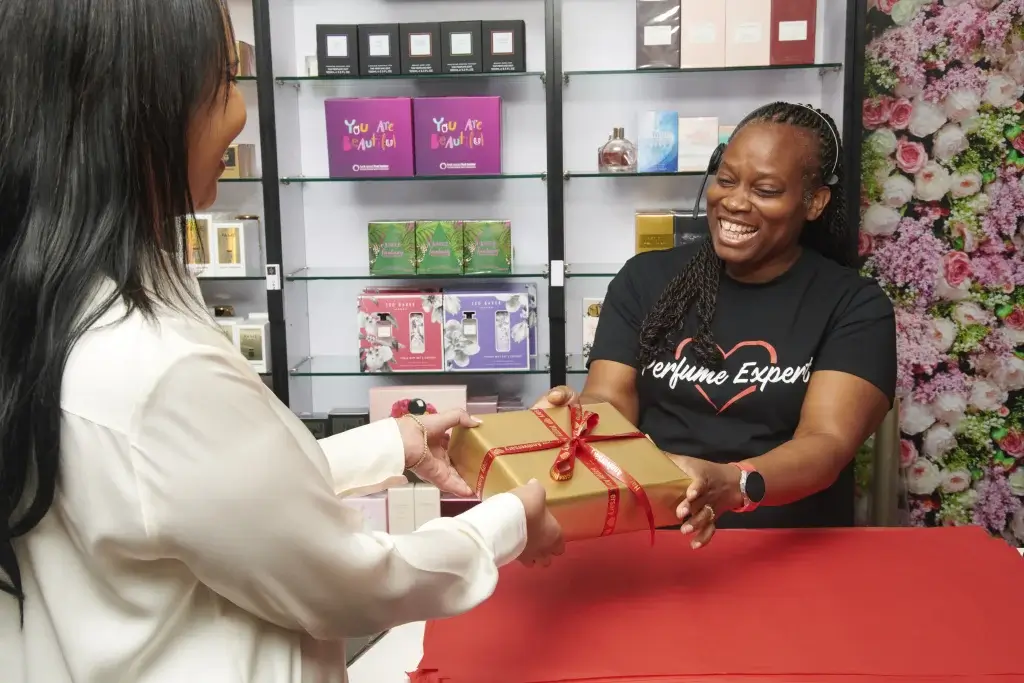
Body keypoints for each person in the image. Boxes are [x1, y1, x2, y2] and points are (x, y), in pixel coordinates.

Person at [0, 1, 562, 681]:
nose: (240, 116)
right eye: (220, 87)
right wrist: (509, 519)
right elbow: (348, 581)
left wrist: (391, 444)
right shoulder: (153, 368)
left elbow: (201, 497)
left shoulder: (57, 309)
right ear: (132, 114)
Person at [538, 102, 896, 550]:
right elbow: (610, 396)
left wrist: (733, 483)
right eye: (726, 180)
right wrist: (579, 419)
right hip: (652, 535)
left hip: (787, 546)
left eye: (765, 190)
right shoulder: (644, 280)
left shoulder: (854, 306)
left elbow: (826, 442)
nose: (734, 201)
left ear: (814, 202)